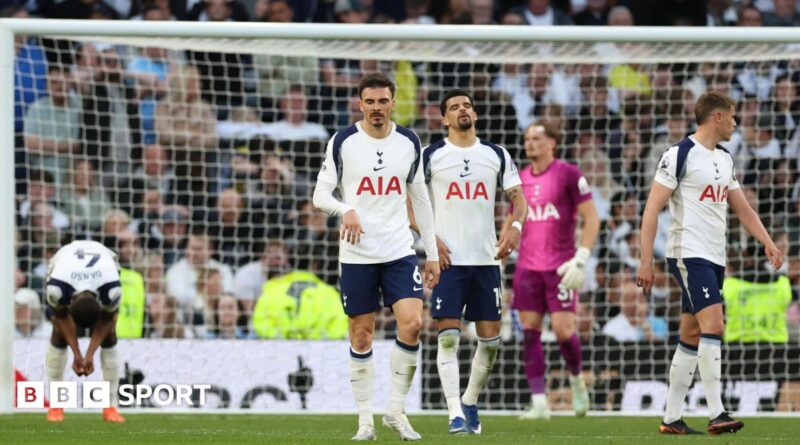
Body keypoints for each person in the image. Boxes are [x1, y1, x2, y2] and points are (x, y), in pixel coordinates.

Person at [637, 91, 783, 435]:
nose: (736, 123)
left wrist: (767, 242)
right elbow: (650, 209)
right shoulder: (679, 154)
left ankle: (671, 418)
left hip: (715, 256)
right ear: (717, 117)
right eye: (732, 117)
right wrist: (646, 260)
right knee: (714, 324)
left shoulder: (725, 158)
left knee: (691, 333)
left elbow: (742, 208)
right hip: (688, 252)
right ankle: (717, 412)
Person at [312, 73, 440, 441]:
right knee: (362, 335)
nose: (376, 108)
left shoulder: (409, 141)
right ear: (360, 104)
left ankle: (396, 411)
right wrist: (345, 209)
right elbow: (320, 195)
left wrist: (430, 252)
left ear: (394, 102)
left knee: (413, 323)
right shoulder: (343, 141)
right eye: (369, 102)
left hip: (399, 250)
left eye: (383, 101)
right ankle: (365, 421)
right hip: (357, 254)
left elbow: (420, 200)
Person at [421, 89, 526, 434]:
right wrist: (429, 239)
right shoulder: (430, 155)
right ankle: (454, 412)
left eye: (466, 105)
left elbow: (518, 199)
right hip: (448, 261)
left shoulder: (495, 154)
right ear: (444, 119)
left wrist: (514, 227)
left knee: (491, 341)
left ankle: (469, 399)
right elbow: (411, 201)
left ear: (475, 114)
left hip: (485, 260)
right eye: (454, 107)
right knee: (448, 338)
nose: (462, 110)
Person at [513, 121, 600, 420]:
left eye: (537, 138)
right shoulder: (520, 178)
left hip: (560, 267)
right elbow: (513, 220)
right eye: (527, 139)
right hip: (527, 268)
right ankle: (539, 402)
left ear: (552, 142)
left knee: (564, 331)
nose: (530, 143)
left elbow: (592, 218)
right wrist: (500, 252)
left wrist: (582, 257)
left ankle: (577, 381)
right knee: (529, 333)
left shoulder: (568, 174)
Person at [44, 240, 126, 423]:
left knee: (110, 336)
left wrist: (89, 353)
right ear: (70, 303)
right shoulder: (57, 287)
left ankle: (110, 406)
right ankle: (56, 405)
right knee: (58, 334)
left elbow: (107, 320)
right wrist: (76, 352)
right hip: (63, 258)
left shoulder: (112, 288)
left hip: (106, 259)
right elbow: (60, 317)